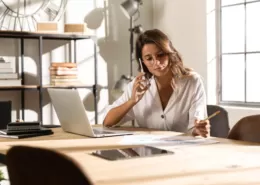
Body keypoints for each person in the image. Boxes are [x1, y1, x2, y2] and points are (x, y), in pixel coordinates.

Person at [102, 29, 209, 137]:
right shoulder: (138, 85)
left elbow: (194, 129)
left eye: (161, 55)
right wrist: (132, 101)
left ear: (169, 53)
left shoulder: (192, 82)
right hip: (148, 150)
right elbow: (107, 122)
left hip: (182, 150)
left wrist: (199, 130)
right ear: (142, 62)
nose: (156, 63)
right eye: (149, 58)